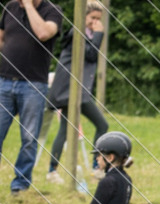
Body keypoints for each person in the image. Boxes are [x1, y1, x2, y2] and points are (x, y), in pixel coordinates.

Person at [0, 0, 63, 199]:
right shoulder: (10, 7)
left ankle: (20, 186)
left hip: (33, 85)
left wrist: (30, 6)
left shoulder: (53, 11)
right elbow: (0, 36)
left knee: (29, 139)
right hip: (3, 82)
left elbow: (43, 33)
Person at [45, 1, 108, 184]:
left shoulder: (86, 33)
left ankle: (52, 171)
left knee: (66, 130)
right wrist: (99, 34)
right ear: (83, 16)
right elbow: (89, 54)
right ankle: (97, 168)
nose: (95, 22)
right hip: (69, 91)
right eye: (92, 18)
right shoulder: (77, 33)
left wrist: (96, 34)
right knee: (101, 125)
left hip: (77, 91)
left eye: (98, 19)